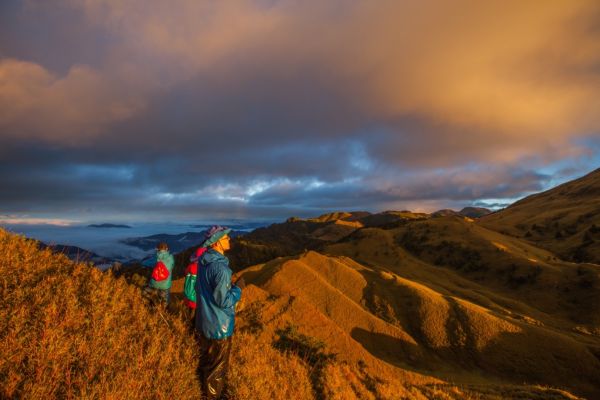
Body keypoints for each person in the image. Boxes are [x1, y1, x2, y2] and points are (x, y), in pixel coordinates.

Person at [195, 226, 245, 400]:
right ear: (217, 243)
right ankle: (212, 396)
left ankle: (204, 391)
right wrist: (237, 289)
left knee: (207, 363)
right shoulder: (221, 270)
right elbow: (224, 301)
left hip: (203, 322)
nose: (229, 240)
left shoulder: (202, 262)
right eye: (226, 238)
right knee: (218, 368)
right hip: (219, 326)